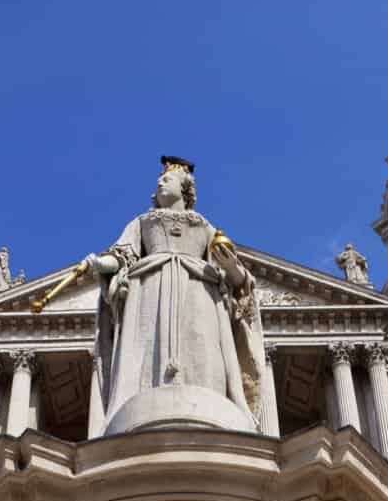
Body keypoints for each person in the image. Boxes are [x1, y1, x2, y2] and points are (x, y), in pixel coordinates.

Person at [81, 157, 276, 435]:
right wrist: (101, 265)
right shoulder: (142, 222)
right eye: (159, 181)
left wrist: (230, 265)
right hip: (150, 287)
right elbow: (122, 255)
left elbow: (239, 280)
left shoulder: (205, 226)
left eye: (167, 179)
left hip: (199, 290)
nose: (160, 182)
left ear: (185, 188)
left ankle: (208, 407)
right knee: (146, 348)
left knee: (203, 349)